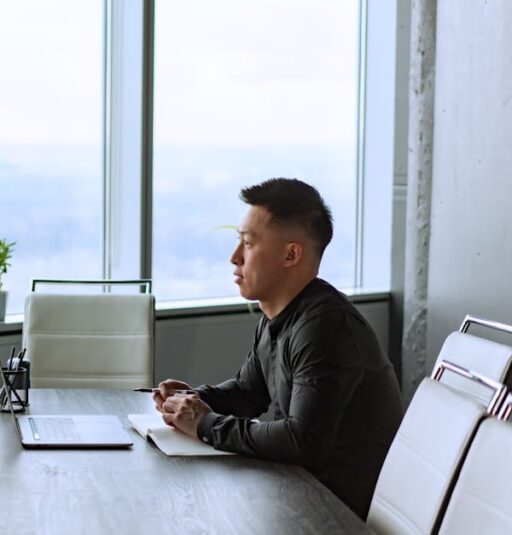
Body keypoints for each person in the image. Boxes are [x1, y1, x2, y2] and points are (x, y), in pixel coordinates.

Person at [153, 178, 402, 519]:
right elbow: (248, 392)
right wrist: (189, 400)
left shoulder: (326, 328)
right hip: (297, 496)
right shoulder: (281, 317)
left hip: (332, 516)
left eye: (248, 244)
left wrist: (205, 423)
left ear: (290, 254)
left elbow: (302, 441)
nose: (234, 257)